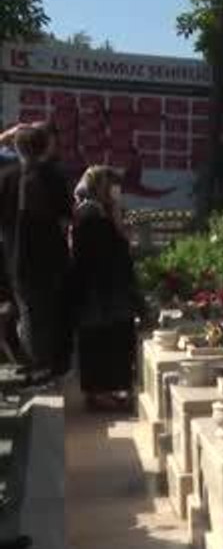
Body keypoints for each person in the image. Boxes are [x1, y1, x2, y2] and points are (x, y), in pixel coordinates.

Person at [0, 123, 73, 382]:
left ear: (16, 147)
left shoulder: (6, 177)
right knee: (49, 311)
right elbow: (66, 218)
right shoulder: (52, 176)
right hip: (50, 256)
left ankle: (36, 363)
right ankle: (47, 364)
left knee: (28, 311)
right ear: (45, 147)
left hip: (16, 256)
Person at [69, 166, 142, 411]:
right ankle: (100, 393)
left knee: (111, 339)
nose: (115, 192)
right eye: (111, 186)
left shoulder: (98, 211)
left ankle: (107, 390)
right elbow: (109, 250)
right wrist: (122, 234)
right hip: (99, 291)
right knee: (101, 342)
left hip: (104, 290)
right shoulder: (91, 213)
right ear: (100, 186)